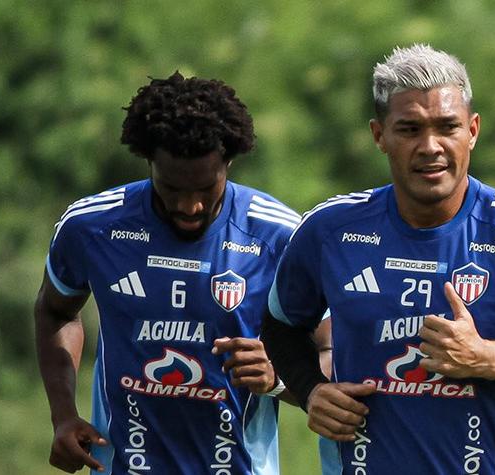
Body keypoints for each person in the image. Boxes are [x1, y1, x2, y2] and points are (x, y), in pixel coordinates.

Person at [261, 44, 495, 474]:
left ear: (472, 130)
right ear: (379, 136)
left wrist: (489, 358)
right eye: (409, 129)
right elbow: (281, 325)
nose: (430, 146)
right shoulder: (329, 229)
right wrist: (311, 390)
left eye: (447, 127)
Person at [35, 72, 305, 474]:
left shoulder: (279, 237)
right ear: (149, 162)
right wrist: (63, 415)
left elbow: (334, 357)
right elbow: (56, 312)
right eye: (172, 187)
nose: (190, 206)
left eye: (205, 188)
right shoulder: (91, 227)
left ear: (228, 162)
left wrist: (279, 377)